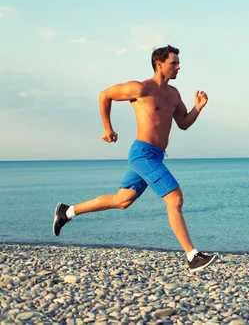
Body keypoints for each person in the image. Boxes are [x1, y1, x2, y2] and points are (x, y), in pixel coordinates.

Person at [52, 45, 218, 273]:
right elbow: (105, 95)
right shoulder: (140, 88)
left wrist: (198, 108)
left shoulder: (174, 94)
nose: (178, 67)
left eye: (178, 63)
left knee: (123, 200)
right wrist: (107, 127)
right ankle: (192, 256)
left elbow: (183, 124)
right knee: (174, 198)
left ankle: (67, 211)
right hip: (142, 153)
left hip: (156, 156)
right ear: (159, 64)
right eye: (174, 63)